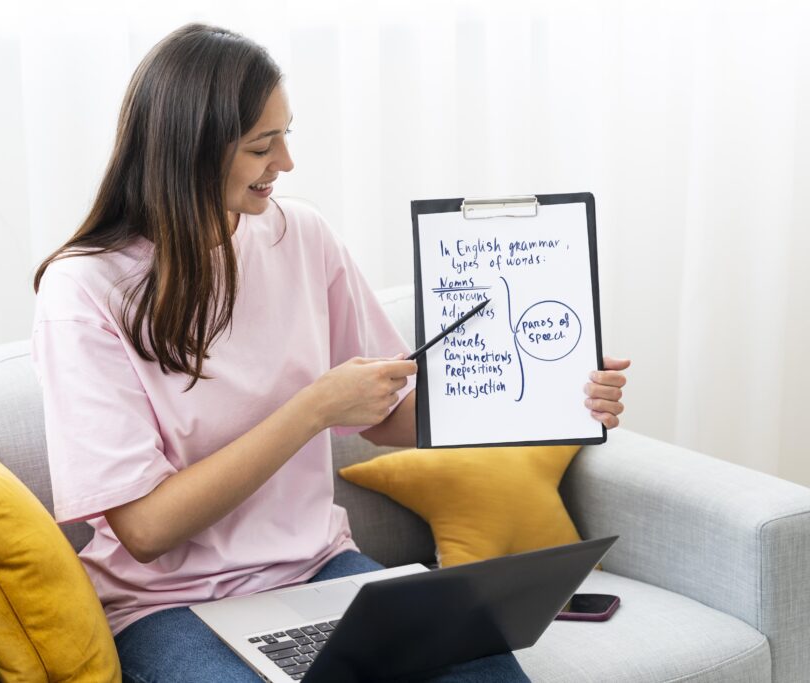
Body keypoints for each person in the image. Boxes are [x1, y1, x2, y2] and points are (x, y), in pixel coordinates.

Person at [31, 23, 630, 683]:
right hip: (168, 606)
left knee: (488, 671)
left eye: (287, 135)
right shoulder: (85, 288)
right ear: (190, 153)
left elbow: (390, 413)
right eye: (263, 145)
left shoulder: (300, 235)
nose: (285, 163)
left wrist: (555, 391)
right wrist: (312, 408)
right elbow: (144, 527)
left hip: (318, 568)